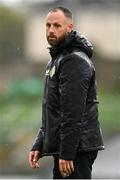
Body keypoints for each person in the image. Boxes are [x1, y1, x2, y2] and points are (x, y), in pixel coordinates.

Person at [28, 6, 104, 179]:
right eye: (48, 26)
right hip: (68, 149)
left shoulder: (74, 60)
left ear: (70, 27)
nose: (51, 30)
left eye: (57, 25)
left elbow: (73, 112)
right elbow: (53, 109)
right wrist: (39, 143)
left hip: (76, 151)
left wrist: (67, 153)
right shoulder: (58, 58)